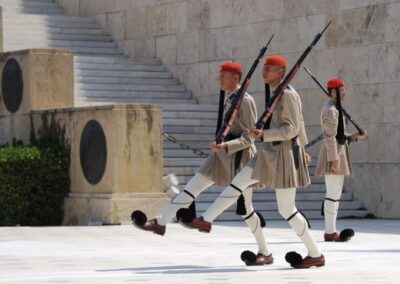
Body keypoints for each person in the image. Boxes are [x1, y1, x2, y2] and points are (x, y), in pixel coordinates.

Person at [189, 55, 325, 269]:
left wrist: (264, 134)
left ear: (281, 72)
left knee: (287, 209)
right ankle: (207, 219)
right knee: (239, 181)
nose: (264, 72)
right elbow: (299, 124)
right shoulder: (278, 92)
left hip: (283, 154)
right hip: (268, 152)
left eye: (269, 69)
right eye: (264, 68)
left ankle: (315, 253)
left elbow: (292, 128)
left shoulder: (288, 95)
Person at [315, 78, 368, 242]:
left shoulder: (336, 109)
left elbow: (340, 135)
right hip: (334, 153)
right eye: (342, 90)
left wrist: (355, 137)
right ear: (333, 92)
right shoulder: (331, 110)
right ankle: (330, 231)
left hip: (339, 151)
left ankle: (332, 229)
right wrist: (334, 159)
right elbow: (330, 137)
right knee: (332, 193)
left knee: (336, 193)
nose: (345, 92)